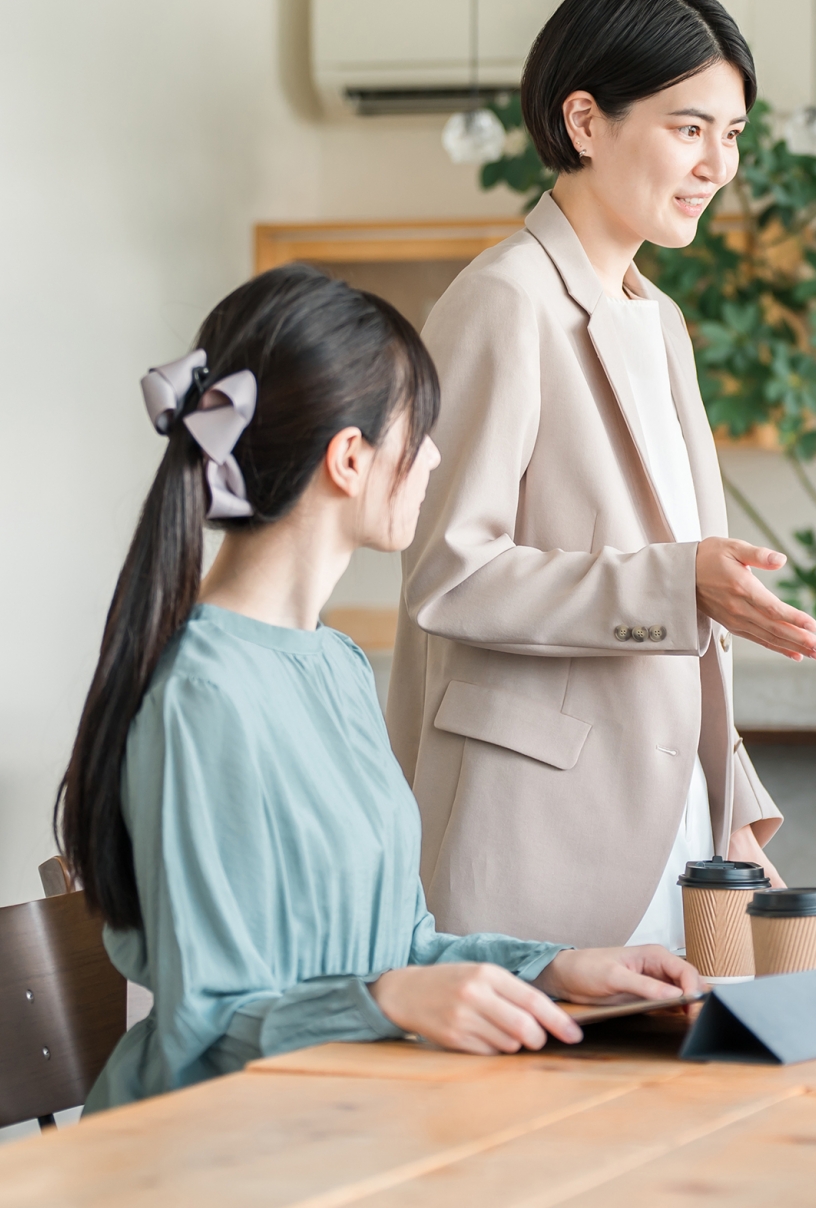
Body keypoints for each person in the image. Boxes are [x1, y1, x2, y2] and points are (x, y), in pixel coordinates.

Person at [58, 266, 701, 1111]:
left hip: (344, 1115)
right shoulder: (201, 696)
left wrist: (552, 964)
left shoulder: (336, 665)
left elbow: (397, 943)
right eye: (420, 431)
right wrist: (385, 1004)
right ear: (350, 459)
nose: (434, 456)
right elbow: (205, 1026)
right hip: (211, 1152)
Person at [387, 0, 816, 953]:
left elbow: (687, 634)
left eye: (735, 134)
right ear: (585, 121)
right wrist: (678, 581)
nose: (720, 164)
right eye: (689, 128)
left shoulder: (659, 320)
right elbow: (447, 575)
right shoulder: (504, 301)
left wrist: (735, 817)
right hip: (534, 836)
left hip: (672, 834)